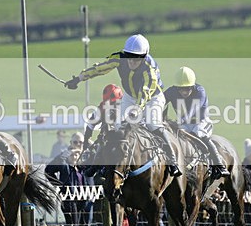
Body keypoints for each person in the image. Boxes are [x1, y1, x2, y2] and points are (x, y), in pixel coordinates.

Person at [63, 34, 181, 177]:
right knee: (118, 129)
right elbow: (100, 68)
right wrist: (78, 79)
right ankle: (100, 163)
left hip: (152, 97)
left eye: (135, 57)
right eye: (128, 55)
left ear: (144, 56)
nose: (131, 60)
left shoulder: (149, 68)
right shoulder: (119, 58)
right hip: (130, 97)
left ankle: (172, 161)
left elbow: (146, 92)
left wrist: (137, 109)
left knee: (152, 124)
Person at [163, 66, 229, 179]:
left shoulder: (200, 91)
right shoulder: (171, 91)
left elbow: (193, 109)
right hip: (183, 124)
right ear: (176, 87)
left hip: (201, 122)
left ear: (193, 86)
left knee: (199, 134)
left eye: (188, 88)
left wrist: (182, 120)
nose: (184, 92)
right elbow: (160, 101)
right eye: (181, 89)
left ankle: (219, 165)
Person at [46, 146, 92, 226]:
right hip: (70, 201)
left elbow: (93, 164)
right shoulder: (64, 166)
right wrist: (60, 186)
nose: (75, 156)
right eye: (72, 154)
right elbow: (48, 170)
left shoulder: (81, 168)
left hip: (82, 200)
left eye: (77, 154)